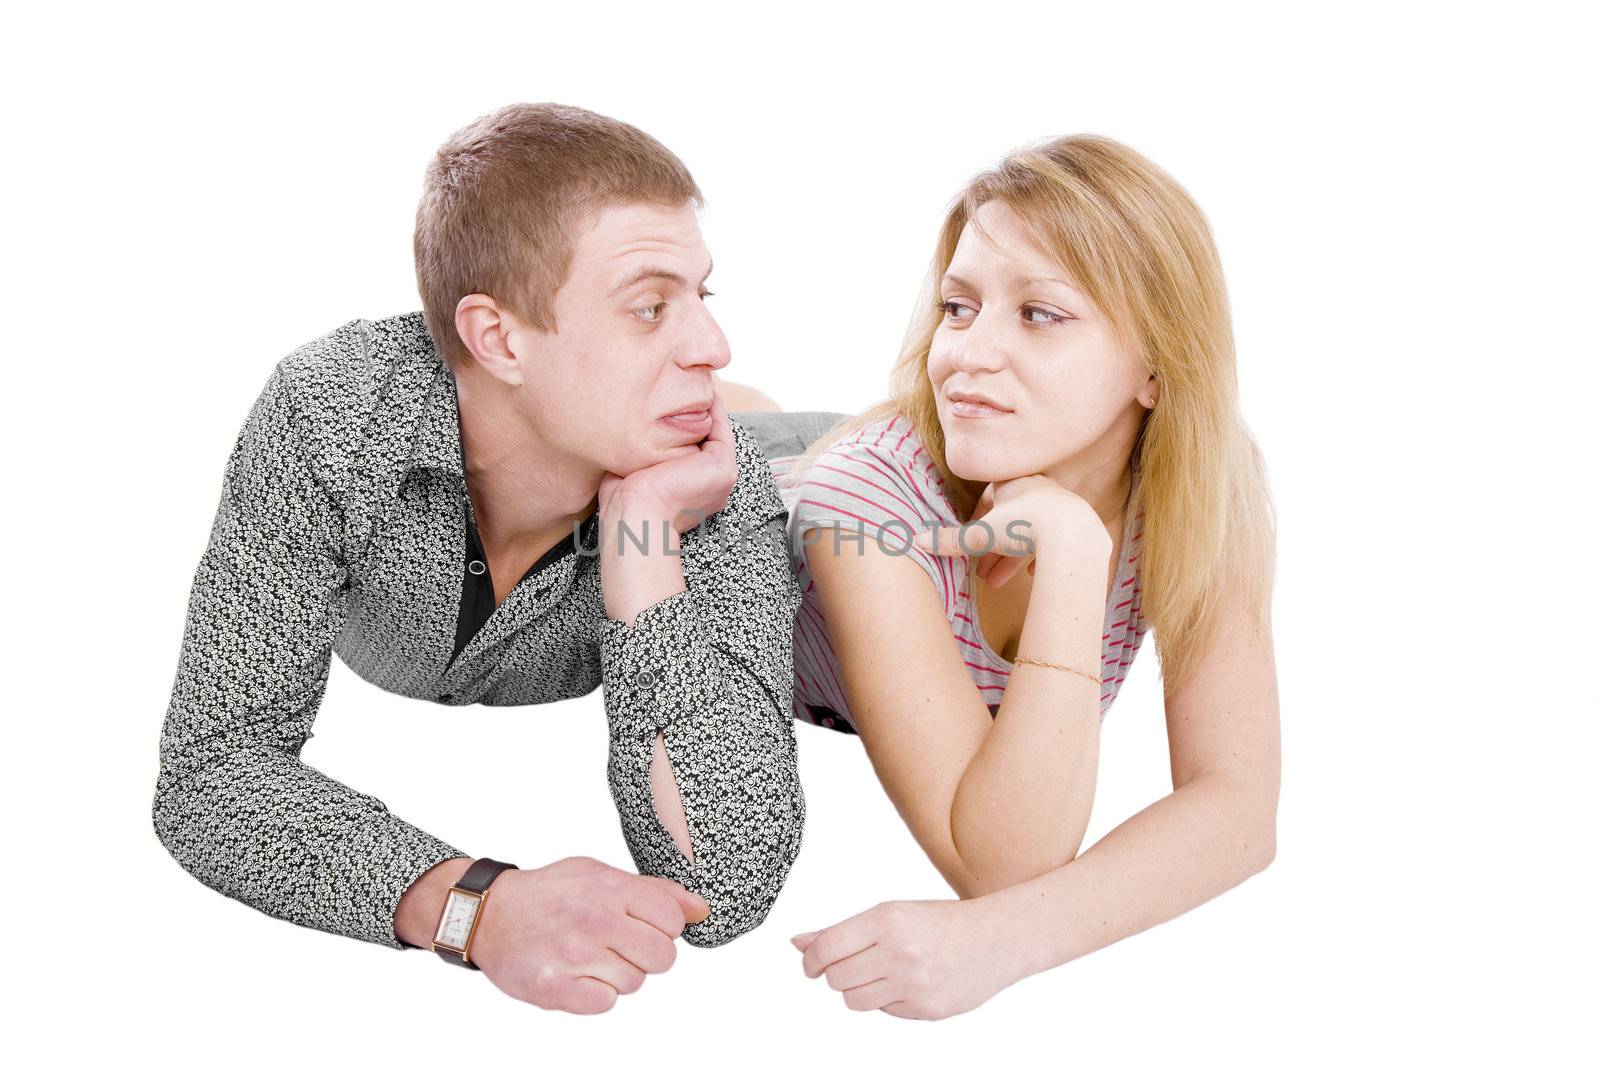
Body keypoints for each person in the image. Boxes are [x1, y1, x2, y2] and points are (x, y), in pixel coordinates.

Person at [151, 102, 807, 1014]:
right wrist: (474, 904)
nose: (710, 341)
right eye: (651, 306)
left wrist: (646, 535)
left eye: (704, 296)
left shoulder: (709, 469)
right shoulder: (332, 417)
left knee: (845, 472)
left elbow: (726, 877)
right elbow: (210, 774)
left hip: (810, 479)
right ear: (497, 338)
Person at [720, 133, 1280, 1020]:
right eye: (958, 306)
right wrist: (1073, 563)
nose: (967, 354)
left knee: (777, 427)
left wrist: (1006, 940)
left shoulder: (1197, 477)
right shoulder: (864, 505)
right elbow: (1003, 860)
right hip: (749, 505)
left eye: (1040, 313)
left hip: (819, 452)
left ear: (1156, 369)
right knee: (690, 452)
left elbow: (1239, 805)